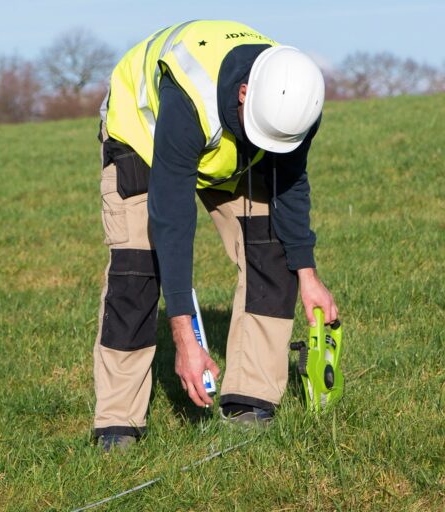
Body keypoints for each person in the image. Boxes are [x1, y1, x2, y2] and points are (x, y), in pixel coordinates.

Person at [93, 20, 339, 451]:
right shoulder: (189, 98)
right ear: (244, 93)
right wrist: (185, 338)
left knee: (273, 247)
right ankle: (118, 424)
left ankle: (251, 401)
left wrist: (308, 274)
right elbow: (171, 220)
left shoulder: (295, 100)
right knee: (137, 270)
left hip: (231, 154)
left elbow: (291, 185)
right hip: (143, 141)